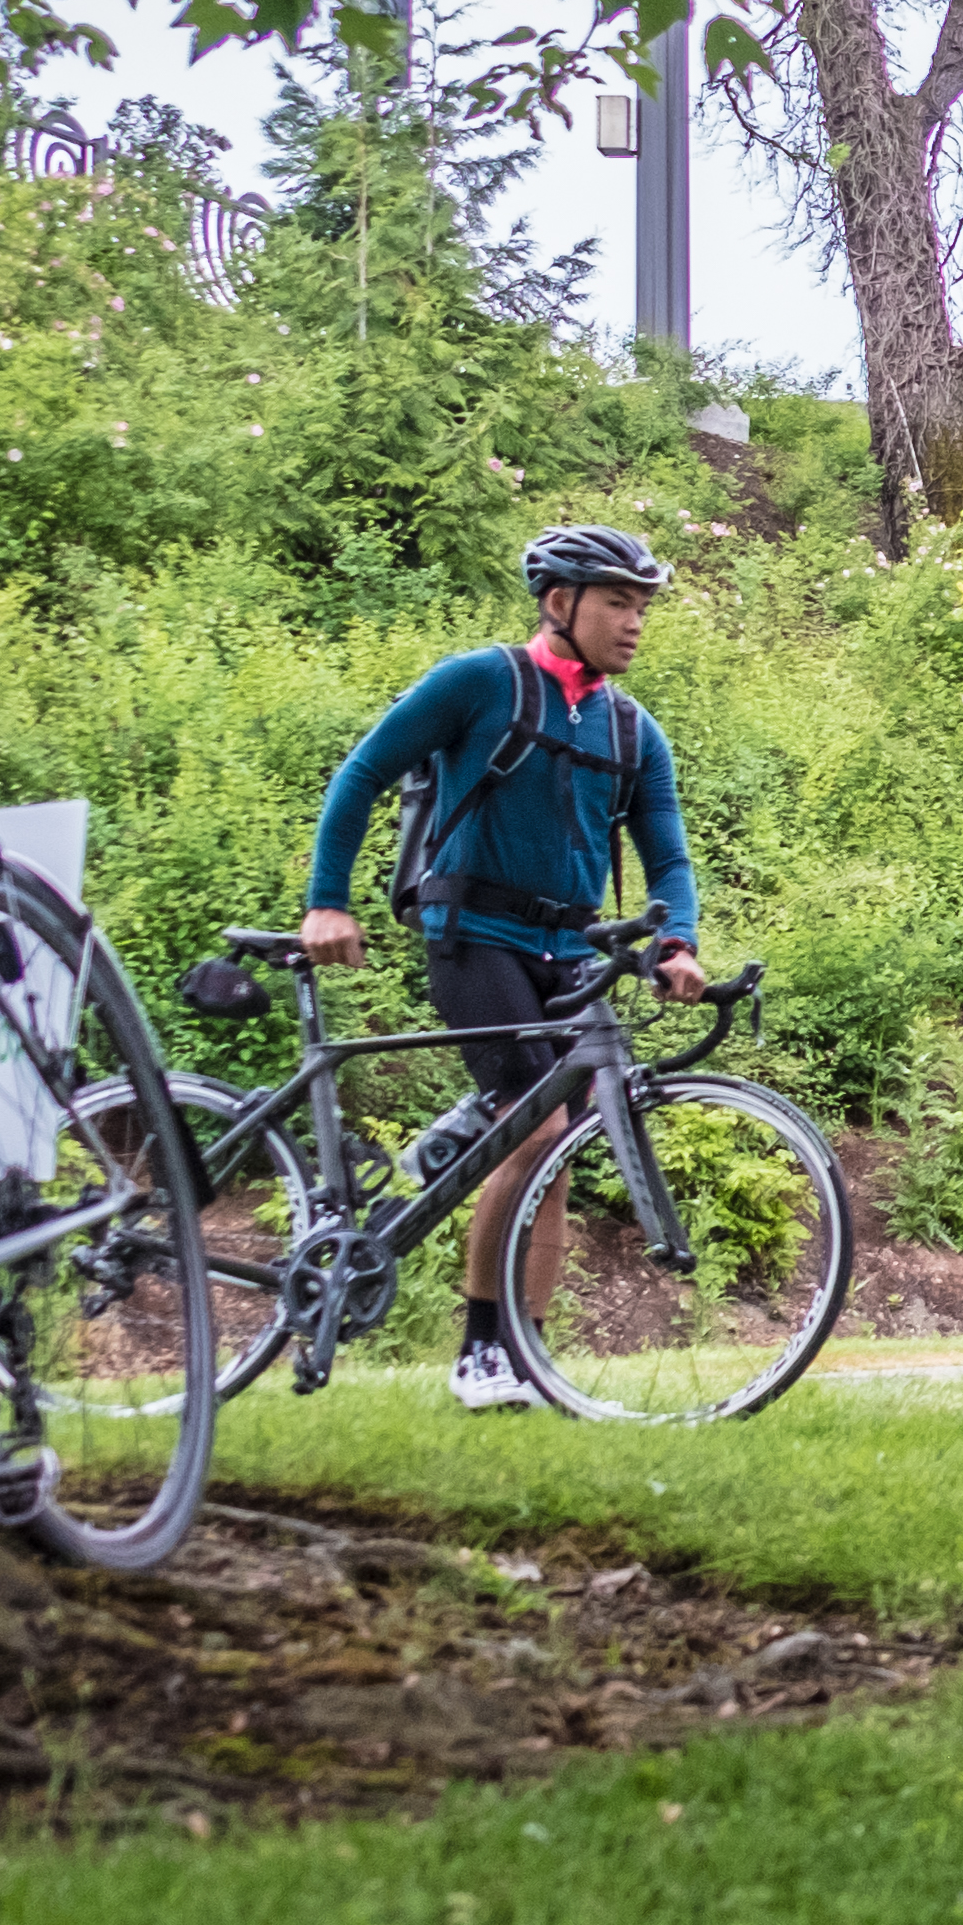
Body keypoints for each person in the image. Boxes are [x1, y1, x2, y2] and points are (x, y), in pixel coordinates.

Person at [302, 522, 714, 1411]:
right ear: (559, 603)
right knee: (534, 1137)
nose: (634, 623)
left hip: (571, 950)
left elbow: (670, 861)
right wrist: (326, 900)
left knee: (553, 1151)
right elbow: (364, 772)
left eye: (642, 607)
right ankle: (479, 1352)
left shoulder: (635, 732)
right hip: (472, 935)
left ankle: (523, 1354)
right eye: (617, 603)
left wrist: (677, 941)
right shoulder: (480, 682)